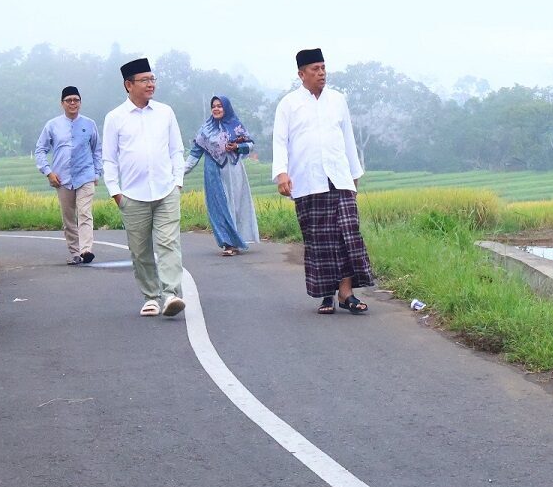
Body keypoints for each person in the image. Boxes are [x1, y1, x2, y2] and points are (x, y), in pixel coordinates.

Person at [272, 48, 374, 315]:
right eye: (315, 69)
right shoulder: (289, 104)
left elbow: (348, 139)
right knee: (319, 240)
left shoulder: (338, 100)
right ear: (301, 74)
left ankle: (347, 293)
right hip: (307, 181)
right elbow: (280, 141)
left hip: (339, 179)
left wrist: (354, 176)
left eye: (323, 68)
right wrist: (281, 173)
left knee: (348, 235)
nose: (321, 73)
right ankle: (327, 295)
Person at [102, 58, 187, 317]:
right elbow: (109, 158)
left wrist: (177, 182)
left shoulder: (165, 112)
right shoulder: (115, 118)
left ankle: (171, 294)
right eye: (144, 80)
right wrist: (116, 192)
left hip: (166, 190)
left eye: (153, 79)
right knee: (140, 249)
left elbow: (176, 150)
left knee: (169, 243)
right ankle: (151, 296)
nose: (151, 84)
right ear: (128, 84)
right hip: (132, 194)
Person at [184, 95, 260, 256]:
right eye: (214, 106)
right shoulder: (205, 130)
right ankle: (228, 243)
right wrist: (179, 173)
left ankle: (237, 240)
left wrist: (237, 146)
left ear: (226, 108)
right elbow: (195, 154)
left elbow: (250, 145)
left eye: (220, 106)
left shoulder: (235, 125)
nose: (216, 109)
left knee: (236, 205)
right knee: (219, 207)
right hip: (213, 173)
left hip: (234, 171)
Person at [34, 85, 102, 265]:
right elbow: (40, 150)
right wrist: (48, 172)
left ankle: (86, 249)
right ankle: (75, 252)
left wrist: (96, 173)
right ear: (62, 103)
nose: (73, 103)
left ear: (80, 102)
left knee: (85, 213)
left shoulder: (89, 124)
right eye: (69, 100)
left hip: (86, 175)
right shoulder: (52, 125)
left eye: (76, 100)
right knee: (68, 217)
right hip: (62, 178)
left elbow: (97, 149)